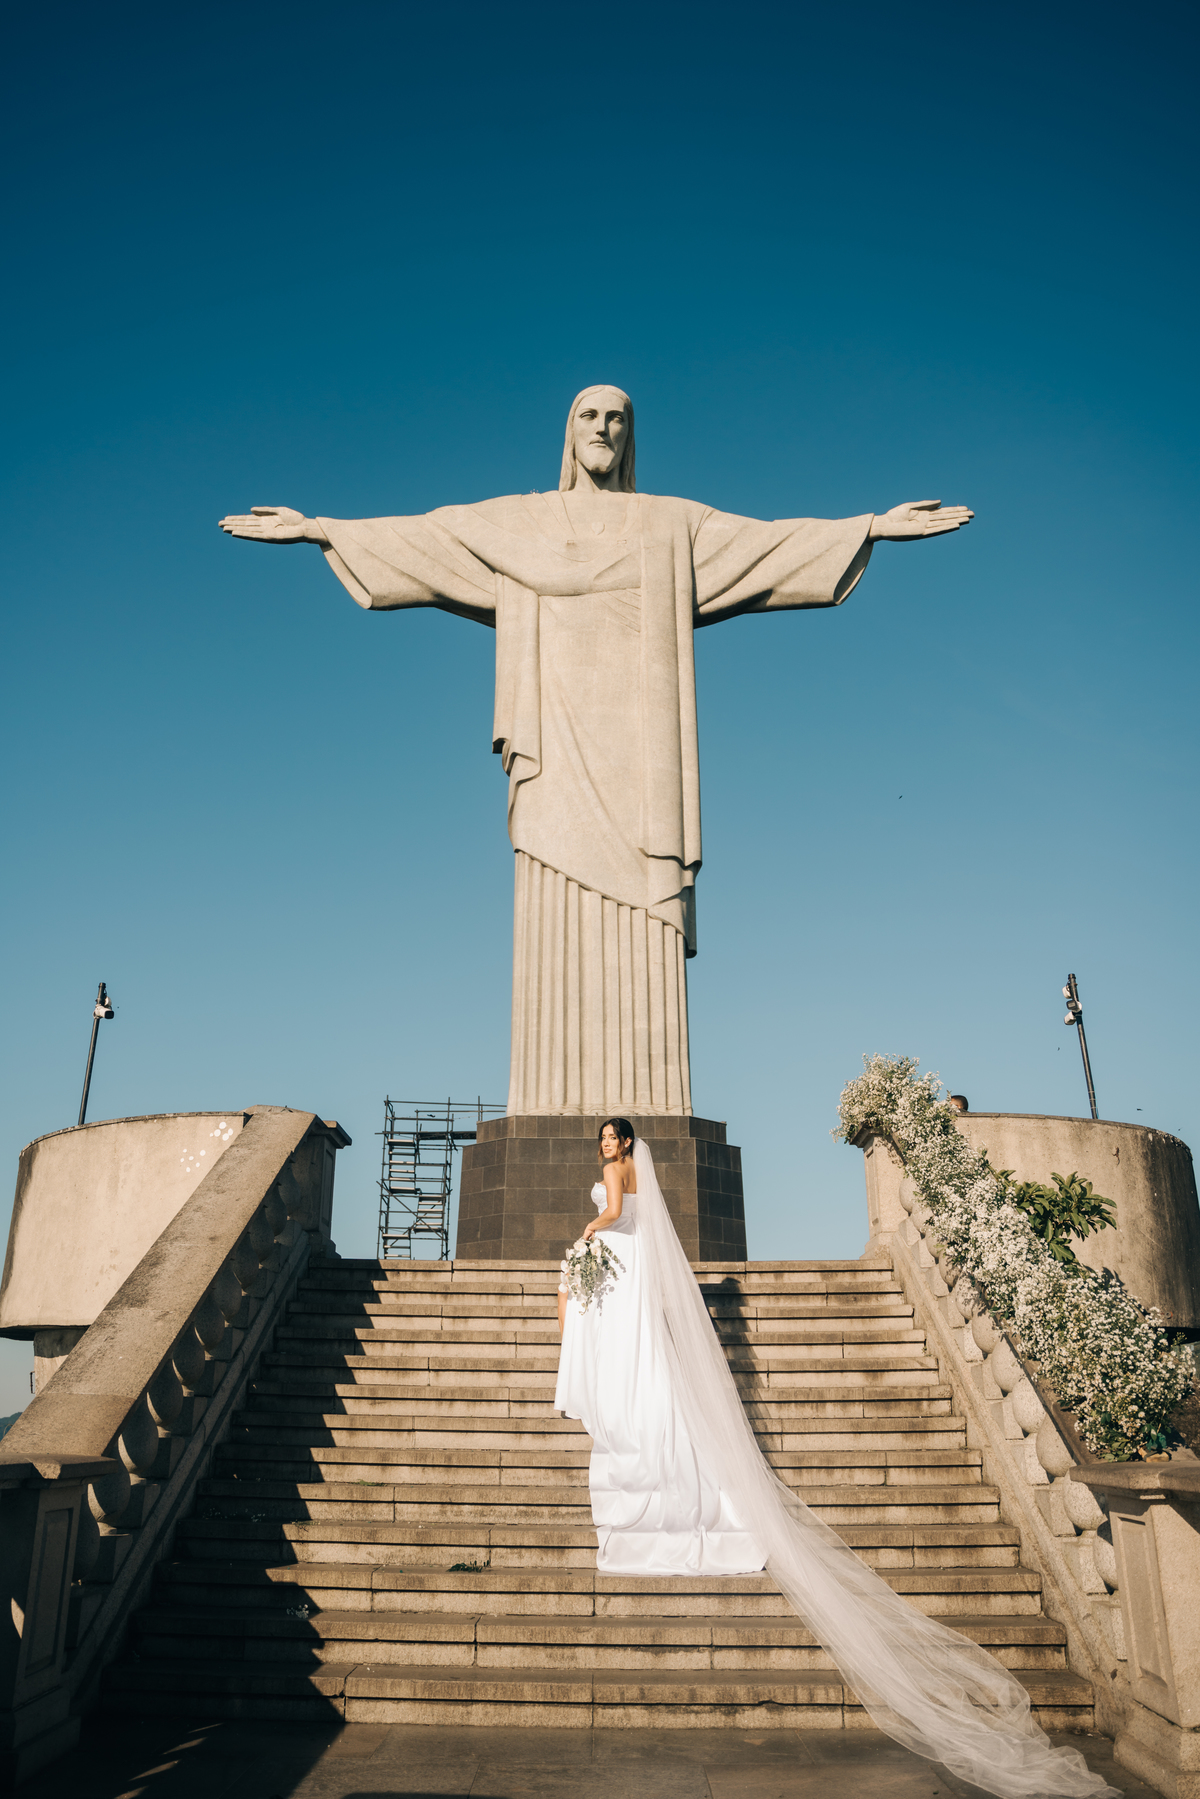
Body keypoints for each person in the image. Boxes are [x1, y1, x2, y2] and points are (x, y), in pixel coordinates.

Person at [219, 386, 972, 1121]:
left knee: (645, 911)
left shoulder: (670, 526)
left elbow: (768, 544)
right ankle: (549, 1098)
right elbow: (429, 536)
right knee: (550, 903)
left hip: (642, 763)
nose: (604, 427)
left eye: (618, 417)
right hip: (553, 748)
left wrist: (868, 526)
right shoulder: (522, 523)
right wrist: (322, 529)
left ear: (630, 435)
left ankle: (651, 1102)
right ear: (569, 430)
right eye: (589, 414)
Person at [555, 1122, 1119, 1799]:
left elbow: (615, 1215)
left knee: (596, 1314)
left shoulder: (621, 1183)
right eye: (605, 1140)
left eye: (616, 1137)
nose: (610, 1146)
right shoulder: (643, 1174)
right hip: (631, 1271)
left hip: (618, 1258)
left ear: (626, 1143)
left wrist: (587, 1234)